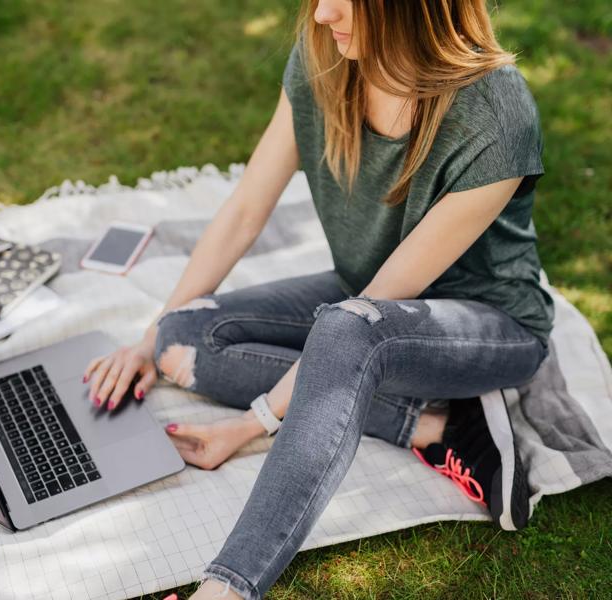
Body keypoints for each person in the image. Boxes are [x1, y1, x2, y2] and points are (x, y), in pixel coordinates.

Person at [82, 1, 554, 598]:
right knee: (184, 337)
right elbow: (247, 209)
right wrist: (150, 337)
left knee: (348, 331)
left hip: (488, 323)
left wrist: (251, 425)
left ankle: (230, 585)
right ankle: (434, 424)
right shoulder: (324, 54)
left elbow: (374, 309)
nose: (324, 11)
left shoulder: (495, 108)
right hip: (363, 294)